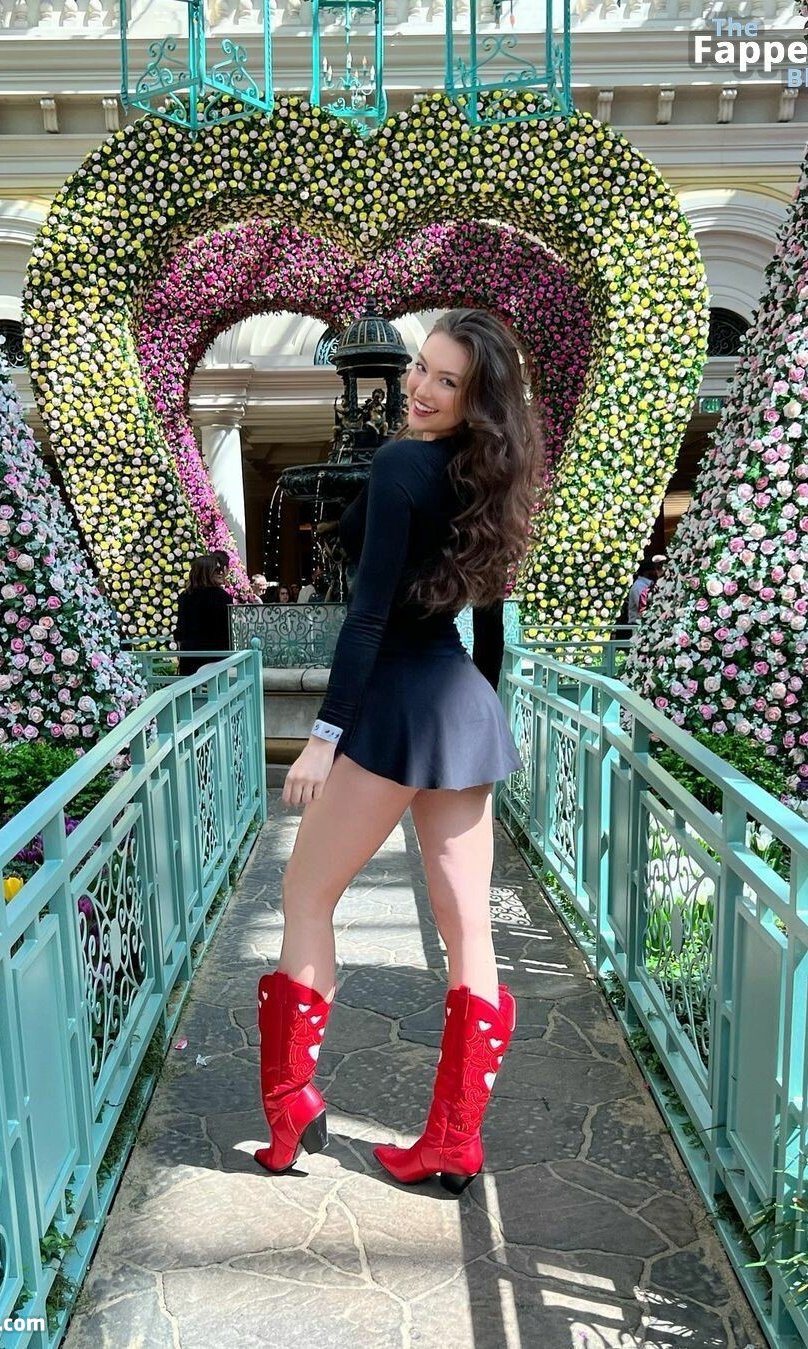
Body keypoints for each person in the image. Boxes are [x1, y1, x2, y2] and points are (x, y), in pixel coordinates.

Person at [255, 310, 543, 1191]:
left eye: (446, 381)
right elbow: (488, 626)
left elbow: (368, 616)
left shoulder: (397, 465)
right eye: (422, 367)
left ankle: (289, 1104)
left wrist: (322, 737)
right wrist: (480, 711)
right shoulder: (488, 476)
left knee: (306, 894)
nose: (420, 387)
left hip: (394, 708)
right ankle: (453, 1139)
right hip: (458, 707)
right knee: (470, 932)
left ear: (474, 398)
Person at [174, 553, 233, 675]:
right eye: (216, 569)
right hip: (216, 660)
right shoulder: (222, 597)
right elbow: (227, 631)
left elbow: (180, 631)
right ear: (206, 572)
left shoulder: (185, 596)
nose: (221, 572)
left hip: (190, 659)